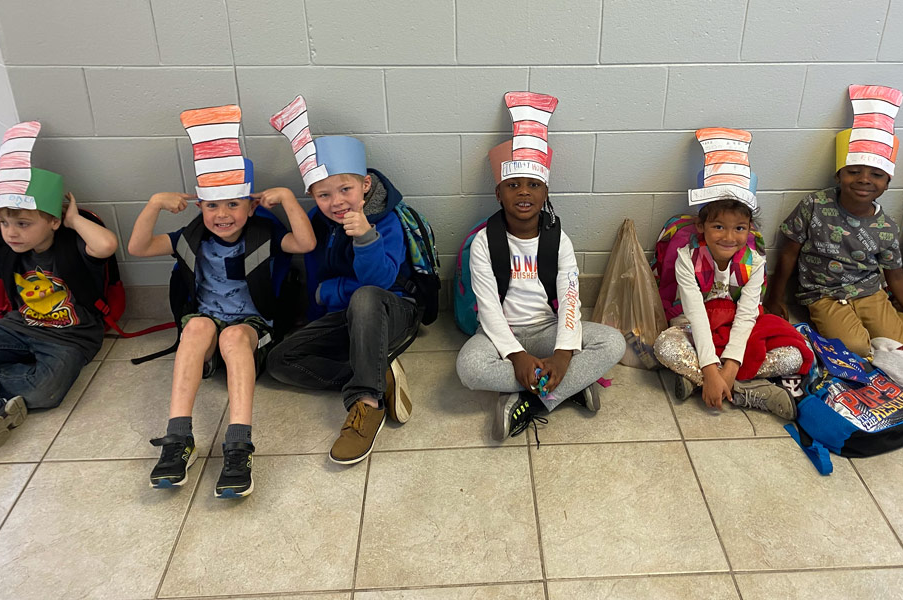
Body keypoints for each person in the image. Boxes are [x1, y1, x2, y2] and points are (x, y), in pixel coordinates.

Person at [129, 105, 315, 498]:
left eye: (233, 204)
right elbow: (139, 246)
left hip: (252, 330)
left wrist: (287, 200)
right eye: (213, 205)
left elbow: (306, 243)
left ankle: (238, 444)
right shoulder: (191, 239)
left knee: (233, 339)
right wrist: (153, 205)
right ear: (201, 207)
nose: (223, 214)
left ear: (250, 206)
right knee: (195, 326)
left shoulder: (264, 236)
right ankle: (179, 437)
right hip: (207, 324)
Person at [455, 92, 625, 442]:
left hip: (547, 329)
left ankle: (529, 401)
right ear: (498, 193)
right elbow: (487, 307)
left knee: (612, 343)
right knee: (469, 368)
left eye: (533, 185)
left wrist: (563, 354)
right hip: (498, 333)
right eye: (513, 185)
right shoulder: (485, 242)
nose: (523, 192)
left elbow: (571, 298)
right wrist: (516, 355)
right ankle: (569, 388)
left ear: (545, 192)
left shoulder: (558, 240)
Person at [264, 95, 419, 466]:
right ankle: (376, 372)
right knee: (279, 361)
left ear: (365, 185)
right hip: (348, 320)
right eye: (323, 194)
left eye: (345, 190)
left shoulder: (386, 221)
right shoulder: (319, 223)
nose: (336, 202)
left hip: (393, 310)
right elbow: (316, 280)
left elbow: (380, 284)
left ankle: (367, 402)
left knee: (365, 296)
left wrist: (366, 238)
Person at [765, 85, 903, 357]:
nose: (864, 179)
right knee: (855, 349)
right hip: (823, 294)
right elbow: (788, 253)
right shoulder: (814, 205)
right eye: (853, 171)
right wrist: (774, 298)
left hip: (870, 292)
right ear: (839, 175)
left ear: (888, 183)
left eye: (876, 174)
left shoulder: (886, 226)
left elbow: (895, 276)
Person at [0, 121, 118, 455]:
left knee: (45, 392)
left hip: (71, 337)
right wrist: (4, 214)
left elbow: (106, 245)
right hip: (17, 326)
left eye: (23, 223)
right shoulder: (7, 246)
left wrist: (73, 218)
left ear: (53, 220)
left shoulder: (72, 244)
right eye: (7, 224)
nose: (12, 233)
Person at [653, 128, 811, 419]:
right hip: (695, 326)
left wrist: (730, 367)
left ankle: (709, 383)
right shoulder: (686, 257)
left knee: (794, 355)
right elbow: (696, 315)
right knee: (665, 347)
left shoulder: (756, 261)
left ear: (750, 228)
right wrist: (711, 368)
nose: (729, 237)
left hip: (739, 328)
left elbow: (748, 315)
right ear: (701, 227)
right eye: (718, 227)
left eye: (739, 228)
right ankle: (745, 391)